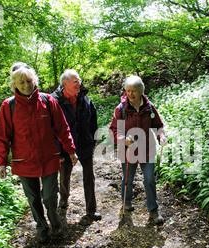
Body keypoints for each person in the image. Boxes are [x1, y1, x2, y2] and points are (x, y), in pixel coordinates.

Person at [0, 62, 78, 243]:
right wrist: (1, 162)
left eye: (29, 81)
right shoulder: (8, 106)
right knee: (33, 199)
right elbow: (2, 136)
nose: (26, 85)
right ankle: (42, 228)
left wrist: (70, 150)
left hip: (49, 158)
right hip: (24, 161)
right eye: (22, 82)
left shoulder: (48, 101)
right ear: (14, 85)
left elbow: (62, 128)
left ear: (35, 81)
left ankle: (56, 226)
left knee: (49, 197)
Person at [109, 75, 168, 225]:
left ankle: (153, 210)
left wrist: (161, 136)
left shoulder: (149, 108)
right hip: (128, 151)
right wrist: (123, 140)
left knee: (149, 180)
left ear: (141, 91)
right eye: (128, 90)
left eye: (134, 91)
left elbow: (158, 125)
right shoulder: (121, 109)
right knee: (127, 180)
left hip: (147, 149)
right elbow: (114, 131)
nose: (130, 94)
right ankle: (126, 202)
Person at [51, 69, 101, 221]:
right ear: (64, 83)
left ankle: (91, 209)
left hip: (84, 143)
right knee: (64, 175)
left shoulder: (85, 99)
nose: (79, 84)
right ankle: (64, 198)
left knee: (89, 177)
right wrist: (58, 152)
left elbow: (93, 120)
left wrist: (92, 140)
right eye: (75, 81)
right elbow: (51, 129)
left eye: (79, 80)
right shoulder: (54, 102)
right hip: (64, 145)